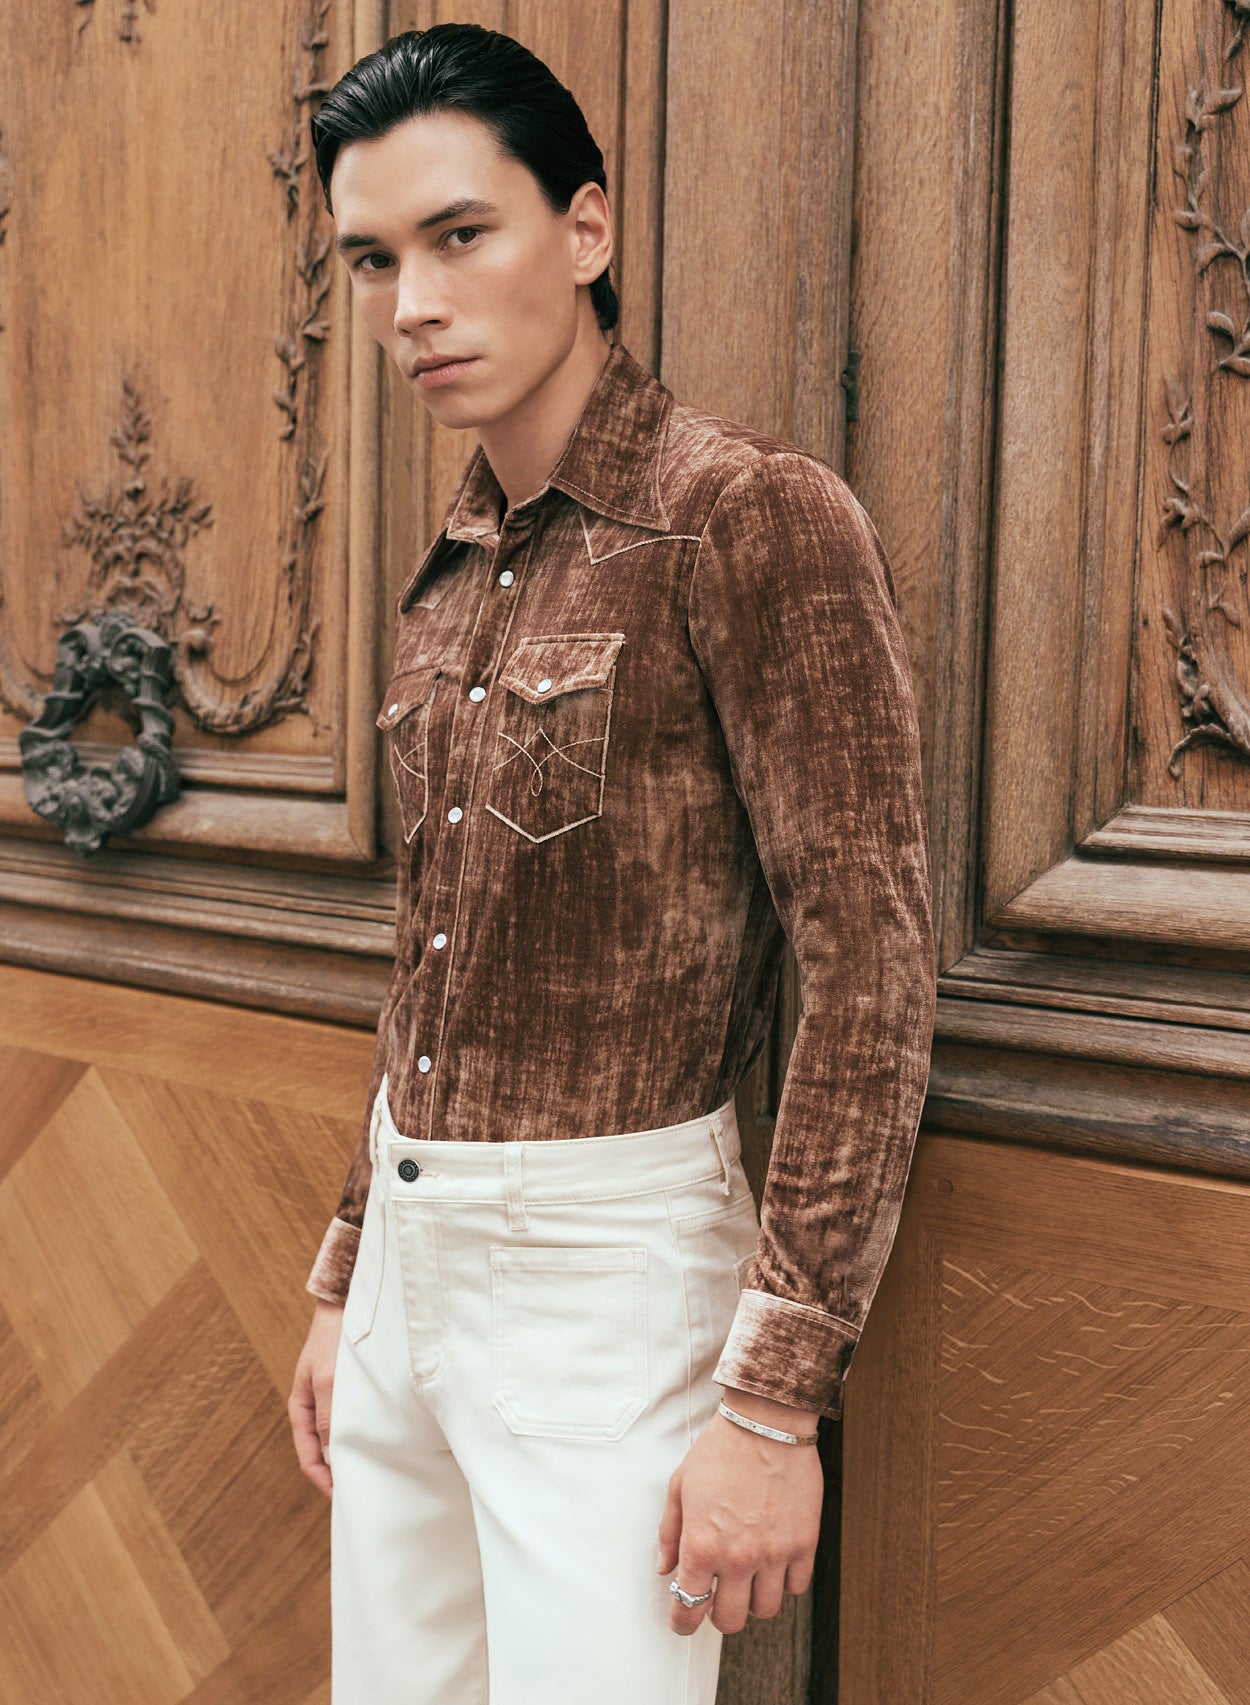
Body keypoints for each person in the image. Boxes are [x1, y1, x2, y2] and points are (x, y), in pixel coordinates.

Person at [286, 22, 936, 1705]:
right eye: (373, 259)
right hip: (408, 1265)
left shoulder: (746, 516)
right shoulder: (451, 569)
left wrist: (772, 1399)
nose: (412, 303)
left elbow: (867, 972)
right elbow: (434, 959)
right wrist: (351, 1275)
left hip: (606, 1274)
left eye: (458, 234)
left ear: (583, 230)